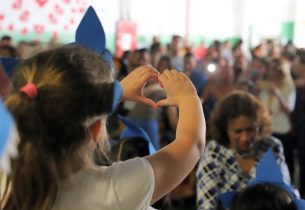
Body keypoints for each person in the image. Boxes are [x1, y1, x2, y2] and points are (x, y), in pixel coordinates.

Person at [1, 45, 205, 210]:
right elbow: (192, 144)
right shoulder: (114, 191)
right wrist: (189, 97)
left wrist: (115, 93)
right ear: (96, 130)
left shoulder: (6, 181)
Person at [196, 91, 290, 210]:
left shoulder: (272, 147)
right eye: (238, 131)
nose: (245, 137)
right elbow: (206, 205)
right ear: (225, 129)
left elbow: (283, 194)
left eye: (251, 129)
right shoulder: (214, 152)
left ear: (260, 125)